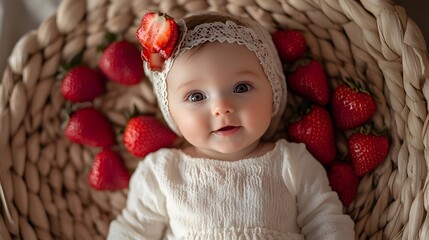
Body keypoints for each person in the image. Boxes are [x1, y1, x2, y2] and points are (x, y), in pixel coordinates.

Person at [107, 11, 355, 239]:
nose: (221, 107)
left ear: (274, 92)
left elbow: (326, 224)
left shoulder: (291, 163)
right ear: (170, 110)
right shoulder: (163, 173)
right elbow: (132, 231)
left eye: (241, 87)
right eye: (196, 96)